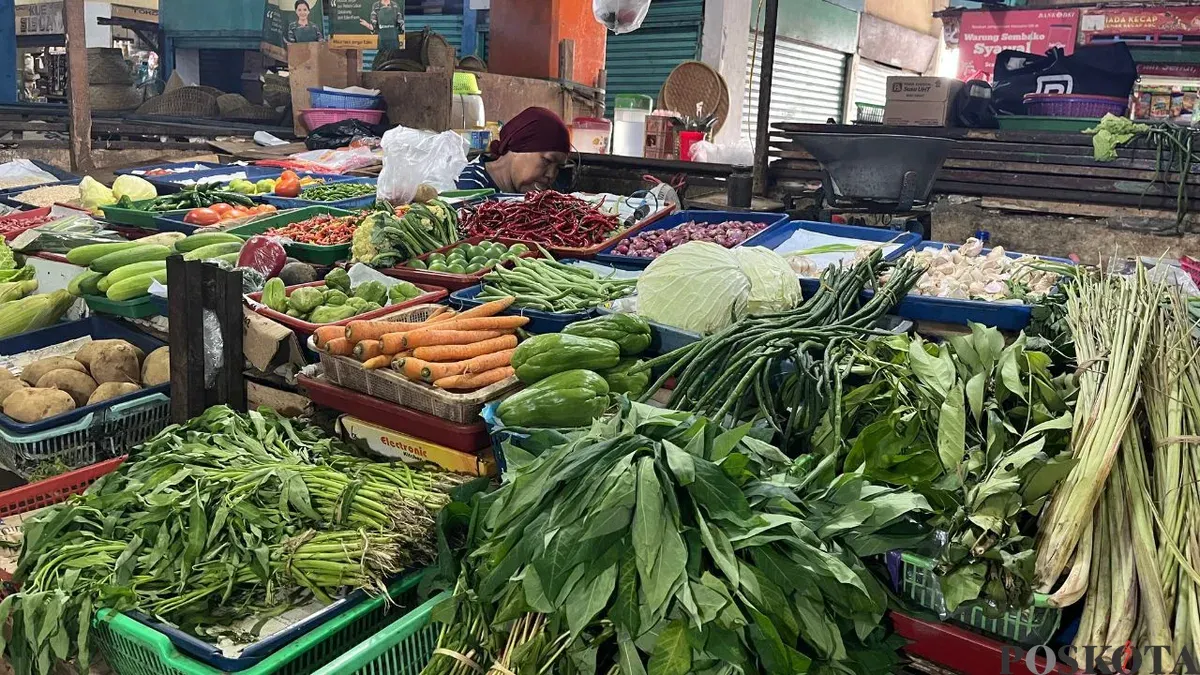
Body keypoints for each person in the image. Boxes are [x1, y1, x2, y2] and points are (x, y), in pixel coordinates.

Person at [456, 107, 571, 193]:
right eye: (547, 161)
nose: (551, 175)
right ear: (518, 147)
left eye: (558, 167)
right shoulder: (469, 187)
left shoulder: (531, 195)